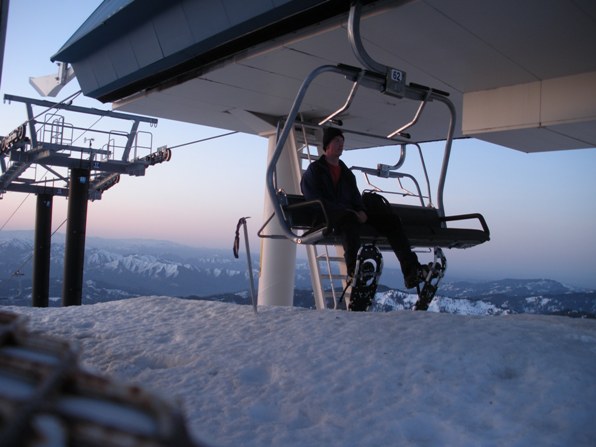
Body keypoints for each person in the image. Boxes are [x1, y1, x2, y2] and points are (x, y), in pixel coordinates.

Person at [300, 127, 427, 289]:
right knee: (349, 221)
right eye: (336, 141)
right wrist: (347, 212)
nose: (341, 144)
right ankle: (354, 271)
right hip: (328, 217)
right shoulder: (315, 171)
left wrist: (362, 211)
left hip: (350, 214)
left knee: (391, 221)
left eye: (342, 141)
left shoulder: (346, 173)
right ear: (327, 146)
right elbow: (313, 198)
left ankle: (411, 271)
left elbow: (355, 196)